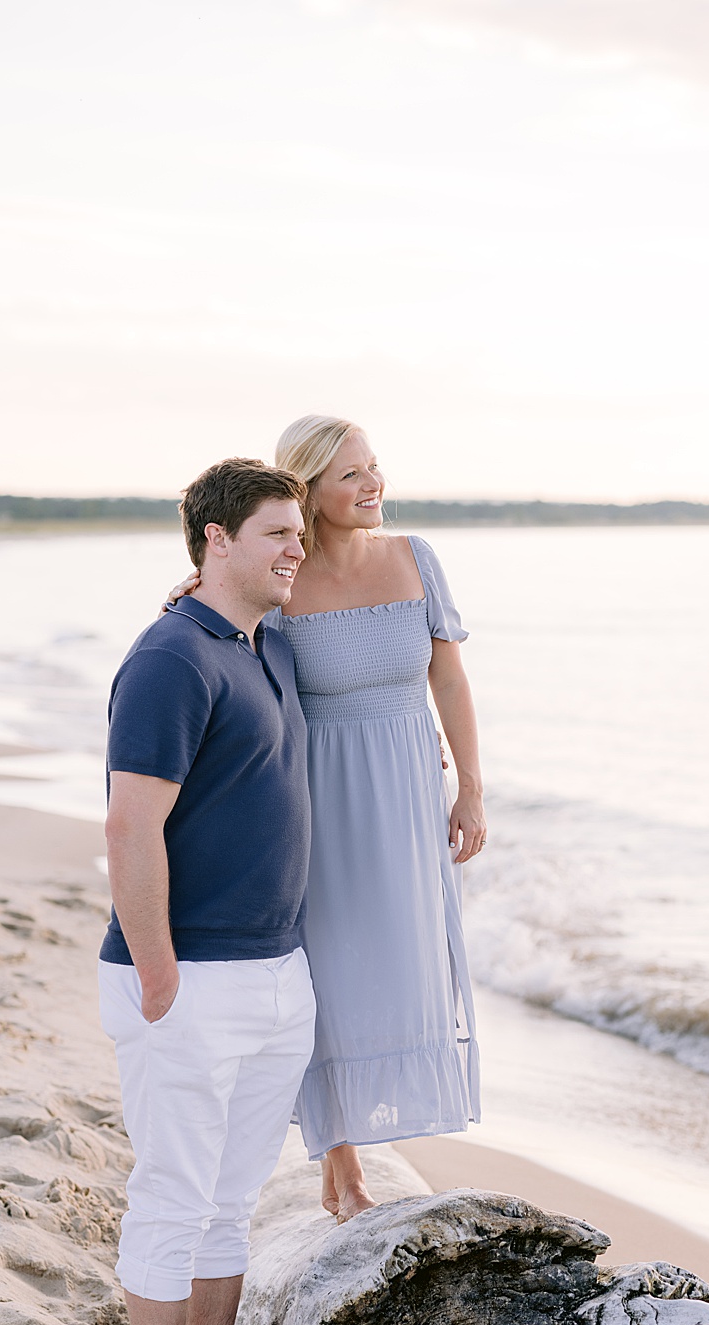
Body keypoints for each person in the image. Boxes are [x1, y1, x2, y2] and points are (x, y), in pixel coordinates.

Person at [166, 415, 486, 1222]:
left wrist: (471, 785)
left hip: (408, 783)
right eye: (351, 475)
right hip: (315, 790)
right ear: (307, 490)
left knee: (404, 956)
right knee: (328, 965)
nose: (373, 485)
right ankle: (338, 1162)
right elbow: (222, 639)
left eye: (375, 467)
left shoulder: (417, 559)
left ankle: (366, 1143)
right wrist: (188, 594)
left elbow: (449, 679)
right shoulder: (285, 572)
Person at [100, 458, 317, 1325]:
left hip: (278, 973)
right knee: (173, 1201)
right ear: (214, 541)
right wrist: (156, 974)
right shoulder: (170, 658)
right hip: (189, 981)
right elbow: (130, 822)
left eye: (298, 534)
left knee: (230, 1206)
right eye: (275, 532)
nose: (294, 550)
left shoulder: (258, 645)